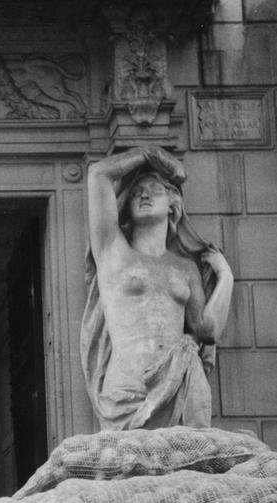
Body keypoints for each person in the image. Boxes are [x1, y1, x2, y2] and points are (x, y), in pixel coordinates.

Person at [81, 145, 234, 430]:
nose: (144, 195)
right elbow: (98, 173)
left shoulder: (185, 268)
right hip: (126, 389)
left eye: (155, 190)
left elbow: (207, 331)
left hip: (179, 386)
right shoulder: (113, 252)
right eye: (137, 192)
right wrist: (150, 153)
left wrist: (225, 276)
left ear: (173, 205)